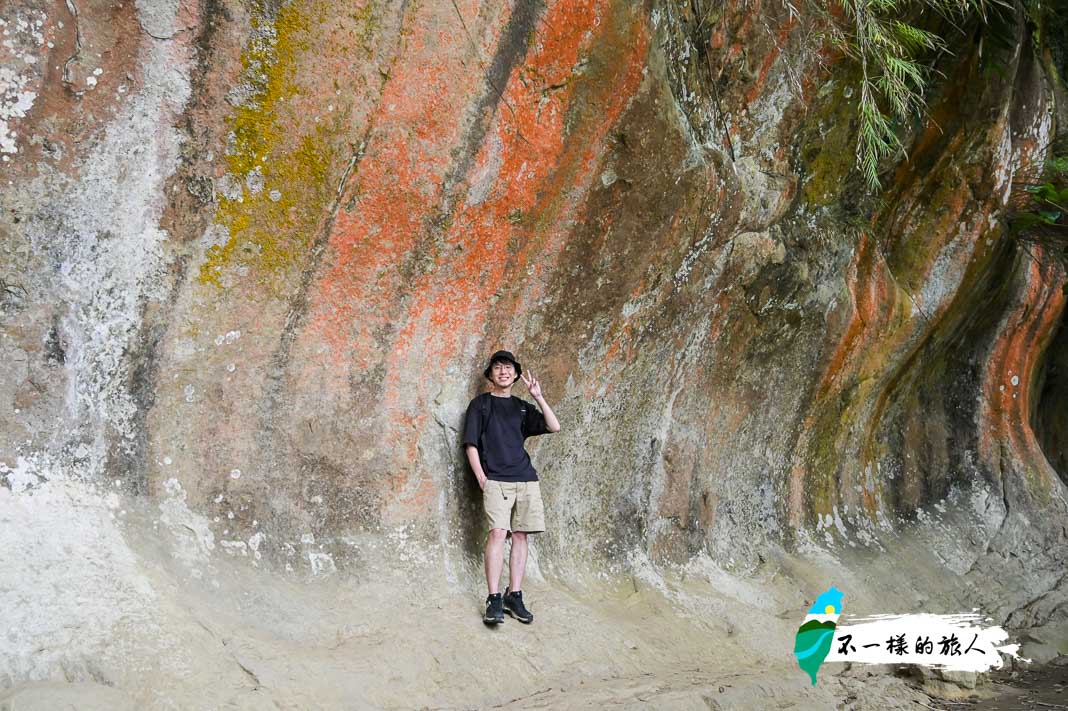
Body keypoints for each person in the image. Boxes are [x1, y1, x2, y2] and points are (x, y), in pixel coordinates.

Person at [463, 350, 560, 625]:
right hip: (496, 480)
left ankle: (513, 594)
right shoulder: (480, 405)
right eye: (497, 367)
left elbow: (554, 426)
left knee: (521, 535)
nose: (503, 371)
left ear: (516, 374)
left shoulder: (521, 407)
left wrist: (538, 396)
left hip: (526, 480)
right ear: (491, 375)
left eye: (508, 368)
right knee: (497, 532)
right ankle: (494, 598)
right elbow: (471, 444)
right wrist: (482, 478)